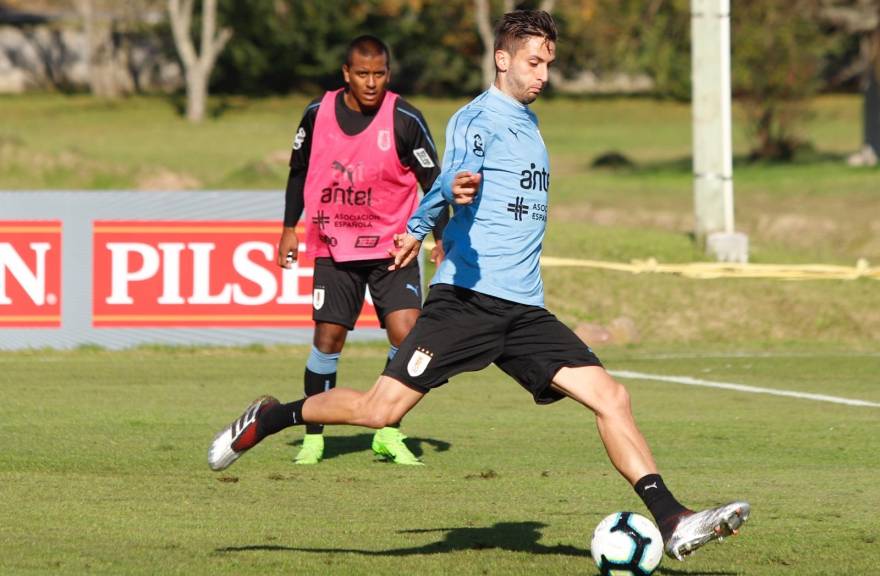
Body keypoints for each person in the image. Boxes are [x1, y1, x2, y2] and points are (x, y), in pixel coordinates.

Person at [210, 11, 749, 561]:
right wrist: (432, 212)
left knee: (611, 397)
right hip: (467, 302)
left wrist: (434, 218)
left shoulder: (528, 123)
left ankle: (672, 518)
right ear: (502, 59)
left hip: (524, 309)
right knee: (380, 411)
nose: (543, 75)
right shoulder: (476, 119)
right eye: (533, 63)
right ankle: (271, 417)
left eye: (548, 64)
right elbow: (452, 176)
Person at [275, 35, 447, 465]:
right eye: (363, 74)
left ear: (388, 73)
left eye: (379, 74)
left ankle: (388, 430)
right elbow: (298, 172)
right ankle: (314, 437)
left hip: (393, 248)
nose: (372, 83)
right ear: (346, 74)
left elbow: (435, 183)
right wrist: (289, 228)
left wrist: (442, 238)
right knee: (328, 339)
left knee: (408, 335)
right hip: (334, 246)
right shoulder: (317, 114)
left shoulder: (405, 119)